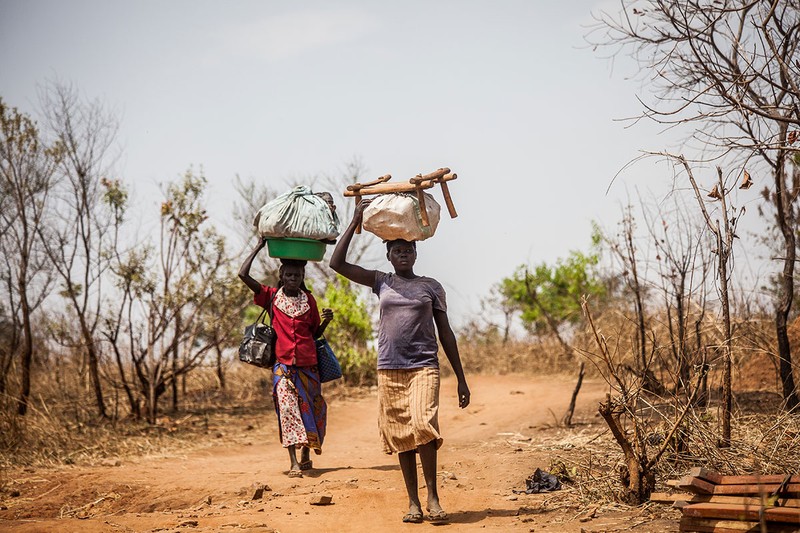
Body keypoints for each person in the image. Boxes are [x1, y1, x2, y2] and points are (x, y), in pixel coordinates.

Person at [330, 198, 470, 524]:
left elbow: (446, 333)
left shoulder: (431, 287)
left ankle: (433, 496)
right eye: (397, 250)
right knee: (402, 435)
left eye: (408, 249)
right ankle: (413, 503)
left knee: (423, 426)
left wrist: (461, 378)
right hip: (390, 368)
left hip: (424, 367)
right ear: (389, 255)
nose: (403, 254)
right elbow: (337, 264)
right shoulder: (381, 281)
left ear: (416, 253)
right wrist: (355, 221)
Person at [239, 236, 334, 478]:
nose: (293, 279)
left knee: (310, 410)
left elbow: (314, 333)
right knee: (287, 410)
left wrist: (326, 321)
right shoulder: (270, 296)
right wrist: (259, 246)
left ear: (303, 278)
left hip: (309, 366)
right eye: (289, 275)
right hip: (283, 367)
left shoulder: (309, 300)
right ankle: (293, 462)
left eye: (298, 275)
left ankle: (306, 455)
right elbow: (243, 274)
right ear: (282, 276)